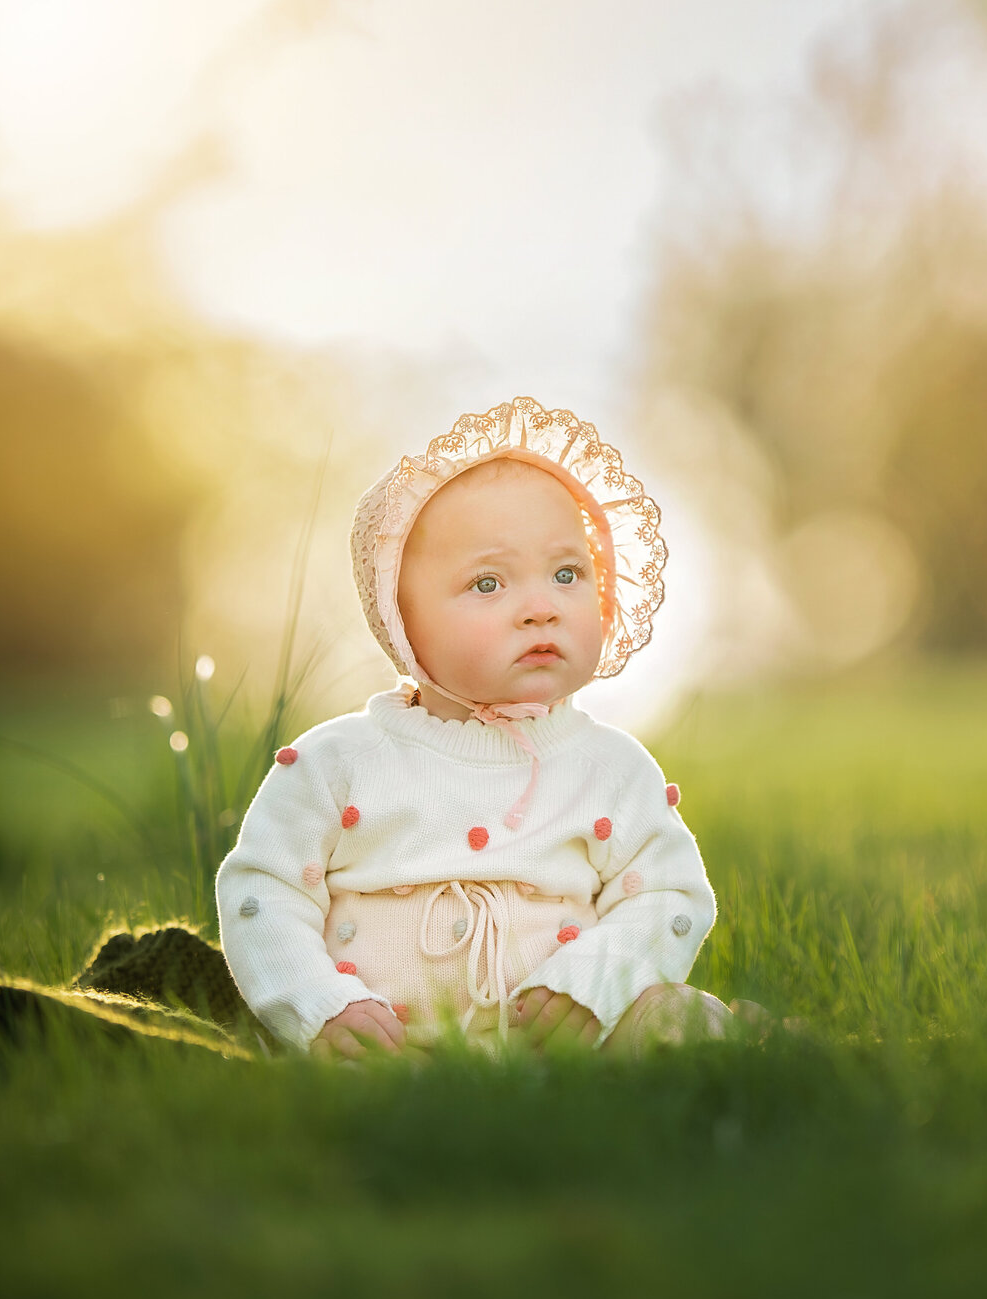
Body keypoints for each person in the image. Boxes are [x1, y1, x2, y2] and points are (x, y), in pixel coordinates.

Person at [214, 396, 741, 1064]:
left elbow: (670, 895)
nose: (541, 608)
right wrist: (320, 1006)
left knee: (677, 1025)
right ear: (399, 620)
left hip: (574, 1048)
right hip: (388, 1053)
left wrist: (598, 983)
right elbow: (266, 890)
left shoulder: (612, 770)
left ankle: (770, 1059)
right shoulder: (336, 763)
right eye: (489, 583)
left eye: (567, 573)